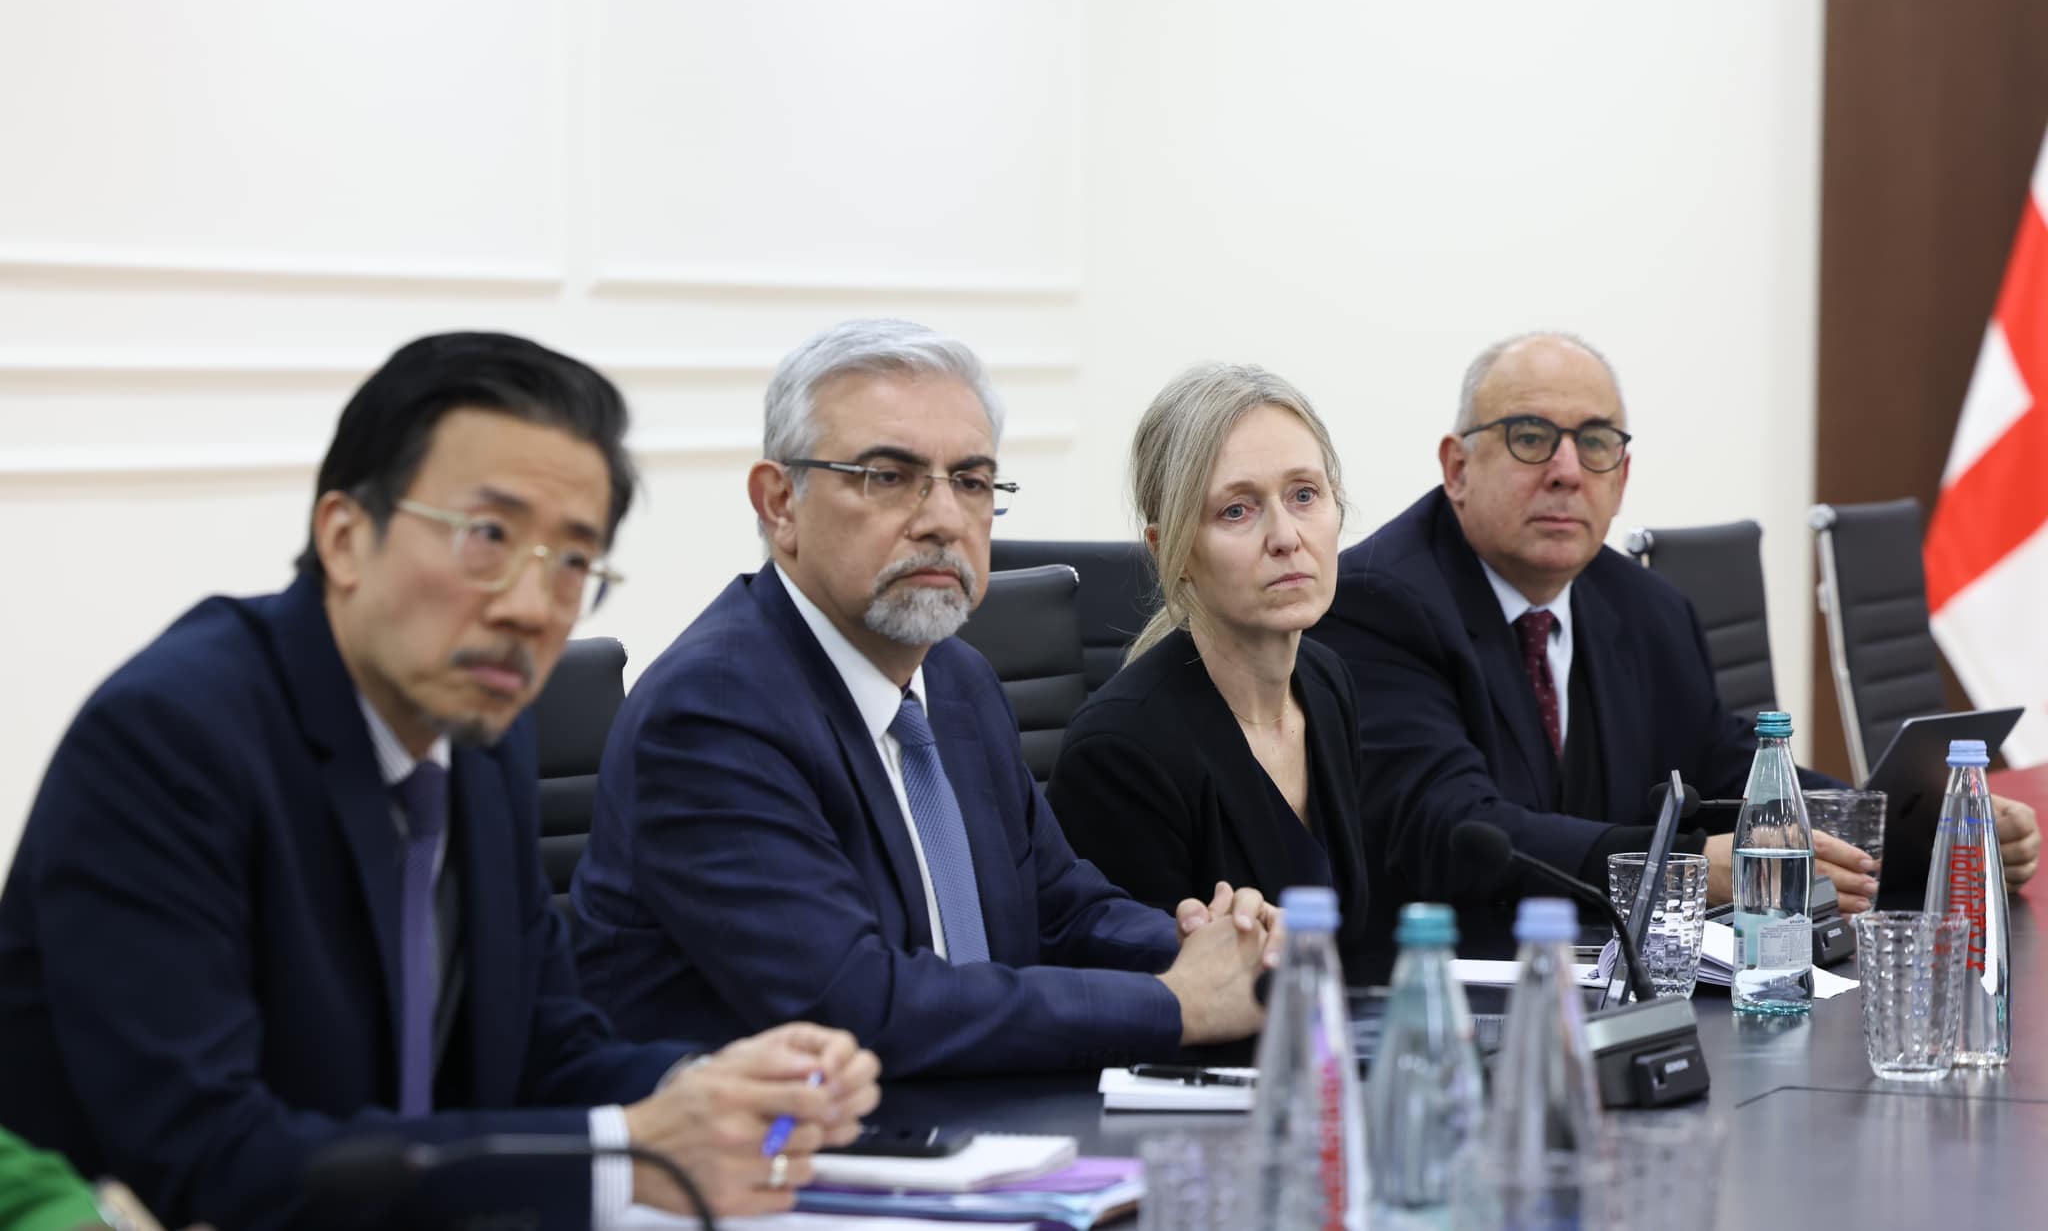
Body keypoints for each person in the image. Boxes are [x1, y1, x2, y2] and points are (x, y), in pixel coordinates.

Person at [0, 333, 879, 1231]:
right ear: (345, 537)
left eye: (572, 563)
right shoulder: (172, 738)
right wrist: (623, 1154)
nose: (530, 608)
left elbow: (545, 1053)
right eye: (486, 538)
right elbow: (211, 1158)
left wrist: (711, 1089)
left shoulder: (480, 737)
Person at [571, 319, 1274, 1077]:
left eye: (970, 482)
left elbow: (1060, 907)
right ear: (780, 504)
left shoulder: (958, 679)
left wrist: (1218, 951)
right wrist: (1175, 1004)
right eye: (888, 476)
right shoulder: (713, 713)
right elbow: (860, 1007)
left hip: (974, 1121)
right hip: (797, 1138)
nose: (943, 520)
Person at [1308, 331, 2042, 952]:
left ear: (1621, 477)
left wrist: (1912, 829)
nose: (1567, 471)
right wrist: (1687, 871)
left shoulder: (1644, 607)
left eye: (1595, 443)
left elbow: (1718, 762)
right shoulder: (1378, 602)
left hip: (1616, 978)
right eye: (1530, 438)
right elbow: (1452, 828)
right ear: (1457, 467)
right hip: (1449, 989)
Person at [1047, 364, 1376, 980]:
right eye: (1237, 510)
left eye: (1305, 495)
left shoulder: (1327, 683)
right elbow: (1137, 995)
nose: (1286, 537)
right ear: (1169, 551)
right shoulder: (1120, 752)